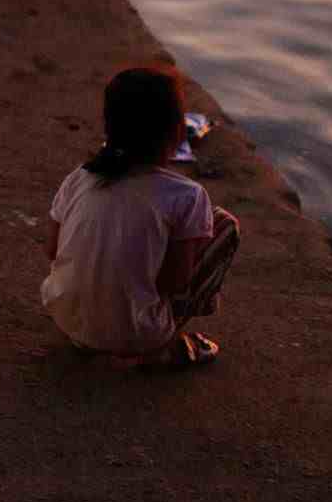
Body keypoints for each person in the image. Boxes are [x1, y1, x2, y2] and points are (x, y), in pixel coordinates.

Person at [39, 65, 241, 367]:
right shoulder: (187, 195)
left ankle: (90, 333)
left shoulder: (79, 177)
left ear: (110, 127)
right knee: (225, 226)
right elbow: (174, 283)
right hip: (138, 333)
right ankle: (160, 347)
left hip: (67, 317)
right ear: (175, 131)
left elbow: (52, 250)